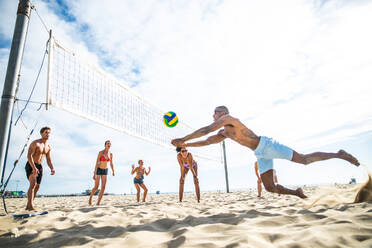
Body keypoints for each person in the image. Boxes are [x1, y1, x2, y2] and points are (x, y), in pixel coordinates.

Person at [172, 106, 360, 199]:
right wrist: (185, 146)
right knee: (270, 187)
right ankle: (298, 193)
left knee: (303, 159)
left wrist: (184, 138)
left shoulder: (229, 119)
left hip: (267, 145)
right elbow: (207, 141)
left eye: (215, 113)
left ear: (221, 113)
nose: (213, 115)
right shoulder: (224, 133)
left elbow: (206, 130)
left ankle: (339, 154)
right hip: (260, 154)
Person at [25, 127, 55, 210]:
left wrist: (52, 168)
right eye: (46, 132)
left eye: (49, 133)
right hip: (31, 164)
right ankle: (30, 206)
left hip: (39, 166)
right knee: (33, 184)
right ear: (41, 134)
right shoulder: (36, 143)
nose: (48, 134)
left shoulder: (48, 146)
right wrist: (34, 168)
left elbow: (48, 159)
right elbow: (29, 156)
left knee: (37, 186)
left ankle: (28, 205)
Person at [89, 140, 115, 205]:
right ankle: (90, 198)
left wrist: (113, 171)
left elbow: (111, 163)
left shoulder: (111, 154)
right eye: (107, 143)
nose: (108, 145)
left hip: (105, 170)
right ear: (105, 145)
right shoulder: (101, 152)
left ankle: (98, 203)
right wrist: (94, 173)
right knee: (96, 187)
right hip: (99, 169)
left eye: (109, 144)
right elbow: (97, 163)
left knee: (103, 187)